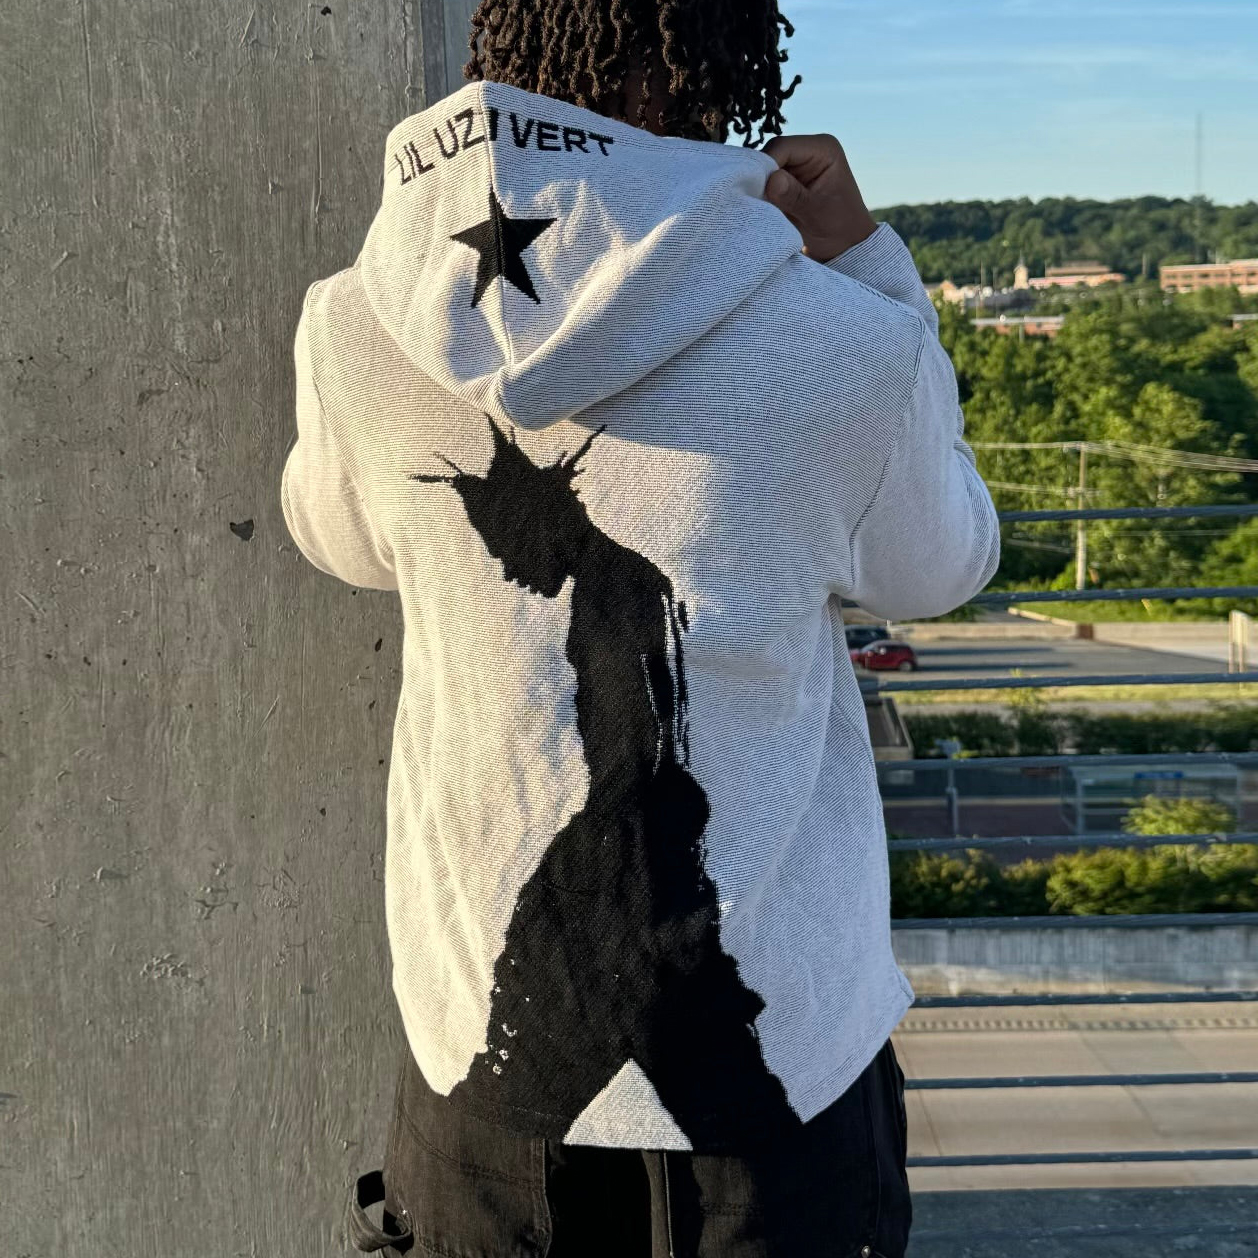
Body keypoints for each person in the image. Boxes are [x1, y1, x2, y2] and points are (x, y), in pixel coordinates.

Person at [282, 2, 1001, 1254]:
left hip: (485, 1064)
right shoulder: (846, 343)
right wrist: (872, 269)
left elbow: (338, 539)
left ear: (499, 48)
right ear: (724, 70)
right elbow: (943, 566)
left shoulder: (355, 321)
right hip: (777, 1063)